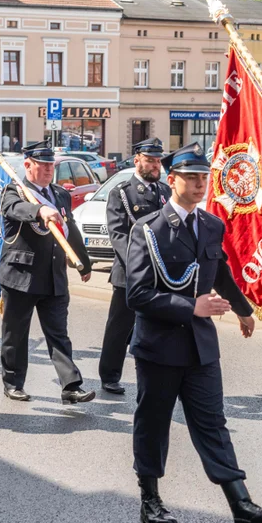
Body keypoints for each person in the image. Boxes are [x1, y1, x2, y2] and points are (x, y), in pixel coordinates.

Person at [124, 144, 262, 523]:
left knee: (212, 424)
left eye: (203, 178)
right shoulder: (148, 229)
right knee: (154, 422)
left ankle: (243, 508)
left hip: (200, 348)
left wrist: (244, 309)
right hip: (160, 348)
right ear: (172, 179)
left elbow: (220, 272)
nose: (199, 184)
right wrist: (190, 307)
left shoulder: (211, 225)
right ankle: (150, 499)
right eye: (191, 177)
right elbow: (138, 295)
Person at [0, 141, 94, 403]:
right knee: (15, 334)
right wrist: (40, 209)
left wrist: (83, 261)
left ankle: (71, 385)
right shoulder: (13, 191)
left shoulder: (60, 195)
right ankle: (13, 382)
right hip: (21, 275)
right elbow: (13, 210)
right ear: (28, 165)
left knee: (58, 334)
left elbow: (68, 228)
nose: (49, 169)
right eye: (44, 164)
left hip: (53, 275)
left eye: (52, 164)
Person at [98, 137, 169, 395]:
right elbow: (118, 235)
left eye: (158, 160)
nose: (155, 165)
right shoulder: (122, 193)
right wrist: (139, 267)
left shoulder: (165, 193)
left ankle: (159, 375)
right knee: (120, 327)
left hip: (161, 275)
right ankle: (109, 375)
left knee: (159, 327)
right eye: (150, 160)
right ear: (137, 159)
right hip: (130, 274)